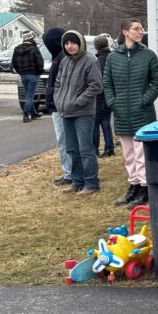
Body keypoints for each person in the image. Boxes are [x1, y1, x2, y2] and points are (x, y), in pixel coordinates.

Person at [104, 20, 158, 208]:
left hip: (143, 114)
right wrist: (113, 103)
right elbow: (107, 83)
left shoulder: (148, 56)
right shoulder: (113, 58)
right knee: (129, 154)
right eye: (136, 29)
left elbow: (157, 81)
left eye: (142, 29)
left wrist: (144, 100)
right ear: (125, 32)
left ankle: (145, 189)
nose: (141, 32)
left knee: (141, 154)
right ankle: (133, 186)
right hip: (121, 113)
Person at [55, 31, 103, 195]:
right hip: (66, 112)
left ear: (80, 43)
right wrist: (58, 98)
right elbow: (58, 83)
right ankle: (77, 181)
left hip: (83, 112)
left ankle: (91, 183)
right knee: (72, 149)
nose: (70, 46)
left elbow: (96, 86)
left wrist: (77, 101)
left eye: (73, 43)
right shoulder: (65, 61)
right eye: (67, 43)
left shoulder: (90, 61)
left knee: (85, 149)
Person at [43, 27, 73, 186]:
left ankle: (70, 173)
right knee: (64, 141)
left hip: (60, 107)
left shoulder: (62, 58)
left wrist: (58, 101)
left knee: (65, 141)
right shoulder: (57, 57)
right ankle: (69, 171)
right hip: (56, 106)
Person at [12, 31, 45, 123]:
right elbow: (40, 62)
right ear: (31, 38)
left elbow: (14, 63)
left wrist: (20, 71)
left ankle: (34, 113)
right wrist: (39, 72)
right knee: (30, 95)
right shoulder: (34, 49)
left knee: (28, 94)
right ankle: (26, 114)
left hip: (23, 75)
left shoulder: (16, 49)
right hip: (33, 74)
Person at [92, 35, 114, 156]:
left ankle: (94, 149)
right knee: (106, 123)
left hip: (100, 97)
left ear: (96, 46)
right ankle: (109, 148)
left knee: (95, 123)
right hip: (110, 96)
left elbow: (99, 80)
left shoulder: (100, 60)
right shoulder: (111, 57)